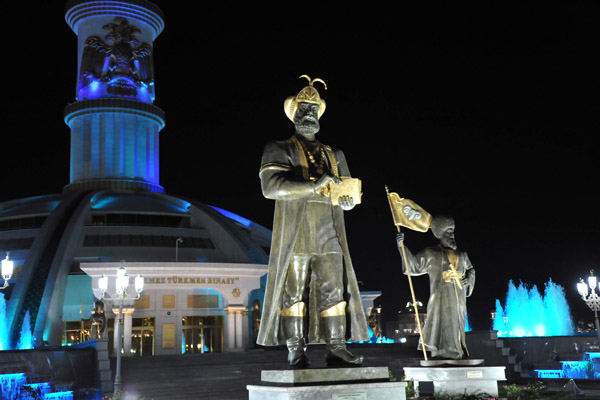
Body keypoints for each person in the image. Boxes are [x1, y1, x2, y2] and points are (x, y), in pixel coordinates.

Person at [257, 75, 370, 368]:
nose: (308, 114)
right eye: (303, 109)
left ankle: (337, 347)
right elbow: (271, 188)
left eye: (313, 109)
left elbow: (346, 191)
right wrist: (313, 186)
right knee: (294, 291)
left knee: (334, 287)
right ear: (293, 114)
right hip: (297, 232)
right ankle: (296, 349)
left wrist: (347, 201)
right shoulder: (278, 147)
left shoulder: (335, 154)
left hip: (328, 229)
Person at [396, 215, 475, 359]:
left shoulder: (463, 255)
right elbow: (413, 266)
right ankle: (444, 352)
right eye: (448, 233)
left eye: (453, 233)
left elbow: (471, 270)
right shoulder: (432, 254)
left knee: (458, 322)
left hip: (459, 299)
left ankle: (459, 349)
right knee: (442, 322)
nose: (452, 236)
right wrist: (402, 247)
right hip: (440, 299)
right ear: (441, 236)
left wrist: (468, 280)